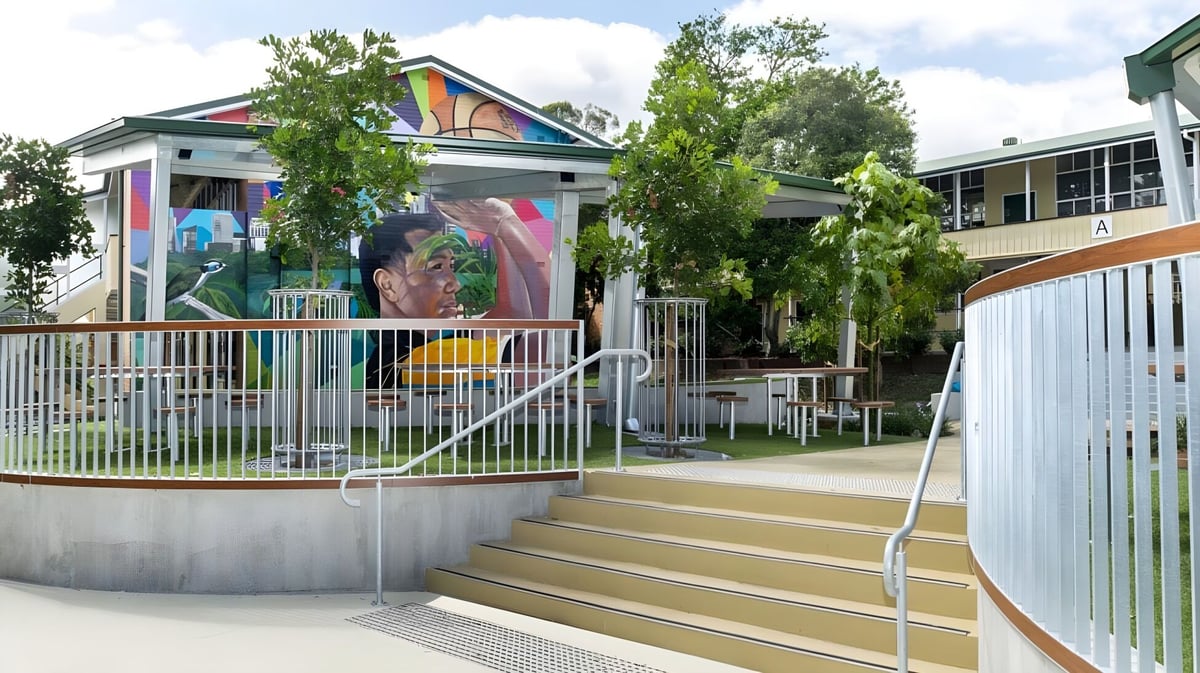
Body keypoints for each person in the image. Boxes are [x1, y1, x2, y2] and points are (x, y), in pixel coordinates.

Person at [358, 199, 550, 388]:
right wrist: (505, 222)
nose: (455, 284)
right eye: (435, 267)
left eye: (452, 265)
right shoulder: (421, 361)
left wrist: (497, 232)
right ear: (387, 285)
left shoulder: (396, 355)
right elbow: (549, 348)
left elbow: (513, 316)